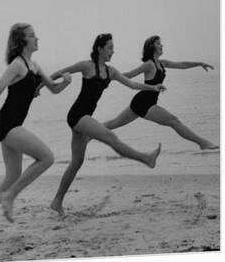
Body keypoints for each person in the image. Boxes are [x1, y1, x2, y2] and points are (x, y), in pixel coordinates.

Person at [46, 33, 165, 216]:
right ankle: (146, 159)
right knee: (111, 137)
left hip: (83, 118)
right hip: (77, 115)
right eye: (109, 47)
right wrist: (40, 86)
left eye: (113, 47)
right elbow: (61, 71)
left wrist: (152, 88)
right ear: (100, 49)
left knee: (77, 162)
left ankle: (56, 201)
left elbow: (132, 84)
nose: (113, 51)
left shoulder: (111, 72)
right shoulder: (86, 66)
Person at [0, 23, 71, 230]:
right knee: (46, 158)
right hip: (6, 124)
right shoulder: (17, 65)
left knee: (13, 175)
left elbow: (54, 88)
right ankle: (10, 196)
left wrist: (66, 81)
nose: (37, 38)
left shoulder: (35, 66)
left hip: (13, 125)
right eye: (32, 36)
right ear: (23, 41)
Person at [103, 35, 219, 150]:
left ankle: (88, 133)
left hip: (142, 102)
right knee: (174, 121)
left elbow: (182, 65)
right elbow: (129, 75)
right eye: (158, 43)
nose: (161, 45)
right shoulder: (149, 64)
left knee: (113, 124)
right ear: (152, 47)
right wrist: (107, 76)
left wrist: (199, 63)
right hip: (145, 103)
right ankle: (202, 143)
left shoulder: (161, 63)